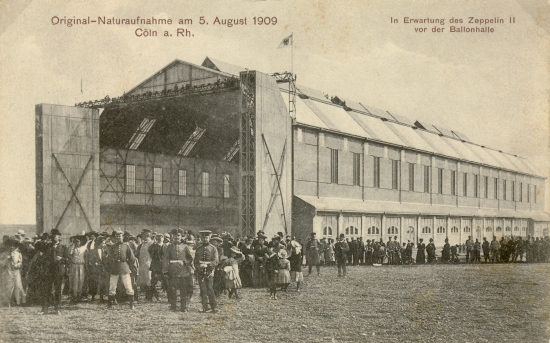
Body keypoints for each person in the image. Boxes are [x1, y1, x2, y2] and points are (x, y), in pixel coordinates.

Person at [104, 229, 137, 310]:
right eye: (117, 236)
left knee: (128, 286)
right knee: (112, 286)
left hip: (124, 268)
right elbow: (109, 258)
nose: (118, 237)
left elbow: (132, 258)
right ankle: (110, 304)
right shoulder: (112, 247)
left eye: (120, 236)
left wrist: (128, 266)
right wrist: (110, 267)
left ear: (122, 237)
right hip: (114, 268)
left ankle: (131, 304)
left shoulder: (126, 246)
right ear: (115, 237)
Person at [163, 228, 194, 312]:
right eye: (175, 236)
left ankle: (183, 307)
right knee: (172, 290)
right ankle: (173, 306)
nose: (177, 237)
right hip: (172, 272)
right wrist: (165, 271)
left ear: (181, 236)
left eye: (178, 235)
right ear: (172, 236)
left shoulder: (185, 247)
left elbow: (190, 259)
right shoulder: (169, 247)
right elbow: (165, 259)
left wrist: (184, 262)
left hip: (183, 272)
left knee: (183, 290)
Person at [194, 230, 219, 313]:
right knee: (202, 289)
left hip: (210, 271)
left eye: (206, 237)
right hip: (200, 271)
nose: (205, 239)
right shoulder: (198, 249)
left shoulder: (213, 248)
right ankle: (205, 307)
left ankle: (214, 307)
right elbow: (196, 261)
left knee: (210, 289)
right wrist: (198, 268)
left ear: (209, 238)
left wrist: (209, 267)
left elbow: (215, 261)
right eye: (203, 237)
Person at [68, 235, 87, 303]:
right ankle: (74, 296)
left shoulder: (84, 248)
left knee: (81, 281)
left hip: (81, 266)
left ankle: (79, 296)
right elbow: (69, 254)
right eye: (75, 242)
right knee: (74, 281)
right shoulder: (72, 248)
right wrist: (72, 247)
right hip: (74, 266)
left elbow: (87, 256)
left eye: (78, 241)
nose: (77, 243)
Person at [136, 229, 153, 301]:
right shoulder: (142, 244)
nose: (141, 237)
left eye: (143, 235)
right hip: (142, 264)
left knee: (149, 280)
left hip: (149, 264)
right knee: (144, 280)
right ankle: (147, 296)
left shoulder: (151, 244)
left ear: (147, 235)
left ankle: (149, 297)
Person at [148, 233, 165, 301]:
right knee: (153, 282)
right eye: (158, 238)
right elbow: (150, 252)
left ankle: (170, 297)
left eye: (161, 237)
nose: (159, 239)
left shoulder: (165, 246)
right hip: (155, 266)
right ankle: (152, 296)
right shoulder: (153, 246)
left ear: (163, 238)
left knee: (166, 281)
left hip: (163, 266)